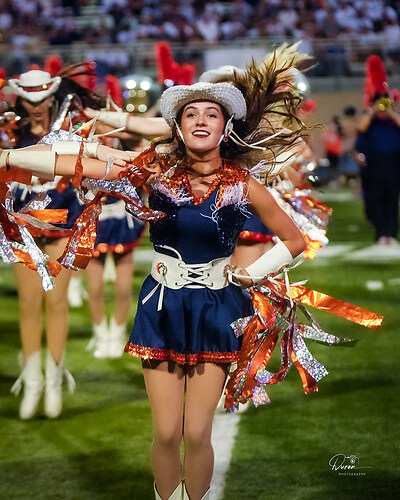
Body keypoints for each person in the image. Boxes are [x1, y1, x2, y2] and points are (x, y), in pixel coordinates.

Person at [121, 81, 306, 500]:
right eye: (190, 114)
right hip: (162, 306)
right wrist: (9, 157)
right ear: (178, 128)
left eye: (211, 114)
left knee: (196, 431)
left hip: (217, 308)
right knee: (167, 432)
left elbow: (294, 240)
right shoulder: (157, 173)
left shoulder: (243, 184)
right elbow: (86, 165)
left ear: (225, 127)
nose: (200, 120)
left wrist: (253, 274)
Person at [5, 69, 132, 420]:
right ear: (20, 99)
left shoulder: (69, 129)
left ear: (52, 97)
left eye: (42, 98)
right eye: (29, 99)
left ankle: (54, 381)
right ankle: (32, 381)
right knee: (29, 306)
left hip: (62, 225)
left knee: (57, 303)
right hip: (23, 228)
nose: (36, 105)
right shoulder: (9, 132)